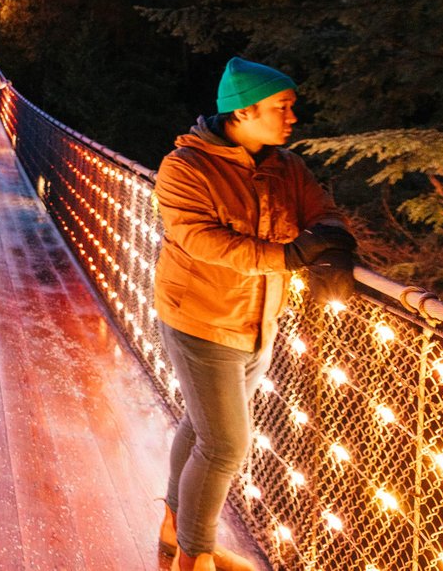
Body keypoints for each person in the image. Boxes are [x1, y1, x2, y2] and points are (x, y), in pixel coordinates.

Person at [154, 57, 357, 571]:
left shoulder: (287, 167)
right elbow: (198, 239)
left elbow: (321, 211)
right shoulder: (186, 167)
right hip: (200, 317)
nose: (293, 118)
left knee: (202, 429)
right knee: (224, 444)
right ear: (243, 112)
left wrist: (333, 248)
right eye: (282, 107)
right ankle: (195, 559)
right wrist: (288, 257)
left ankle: (173, 528)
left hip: (258, 320)